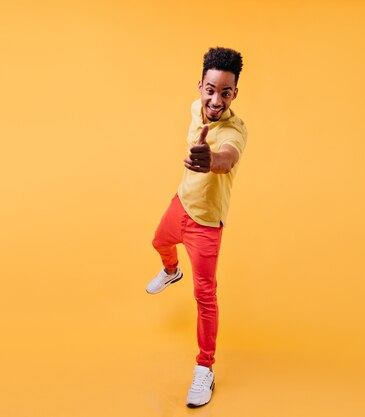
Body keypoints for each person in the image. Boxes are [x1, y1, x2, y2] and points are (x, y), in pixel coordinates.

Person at [146, 47, 247, 408]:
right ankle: (171, 271)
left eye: (225, 92)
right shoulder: (194, 107)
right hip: (181, 203)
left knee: (205, 297)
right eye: (210, 89)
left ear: (234, 94)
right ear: (200, 85)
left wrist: (212, 160)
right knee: (158, 241)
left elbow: (228, 157)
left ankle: (205, 368)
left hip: (206, 225)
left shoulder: (236, 130)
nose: (215, 99)